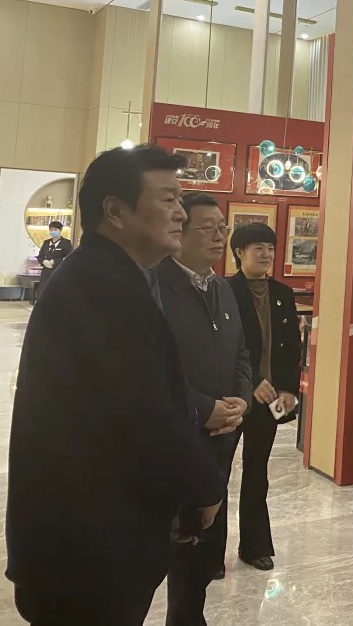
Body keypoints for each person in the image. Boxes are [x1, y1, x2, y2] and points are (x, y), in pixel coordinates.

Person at [6, 145, 225, 625]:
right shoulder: (102, 287)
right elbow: (145, 414)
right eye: (167, 199)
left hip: (88, 541)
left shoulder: (108, 277)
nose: (181, 212)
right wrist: (206, 487)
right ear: (115, 211)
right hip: (84, 551)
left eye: (180, 199)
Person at [159, 191, 253, 625]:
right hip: (173, 440)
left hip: (220, 440)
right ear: (178, 233)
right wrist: (202, 408)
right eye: (207, 228)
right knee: (165, 547)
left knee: (200, 552)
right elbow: (148, 369)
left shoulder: (222, 288)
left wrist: (241, 400)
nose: (219, 237)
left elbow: (241, 355)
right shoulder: (155, 286)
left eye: (223, 228)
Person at [228, 223, 302, 572]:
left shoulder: (282, 293)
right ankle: (209, 553)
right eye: (258, 247)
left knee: (257, 471)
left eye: (270, 248)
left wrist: (288, 389)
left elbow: (292, 349)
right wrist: (253, 381)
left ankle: (255, 546)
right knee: (217, 472)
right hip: (234, 396)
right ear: (239, 252)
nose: (266, 254)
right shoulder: (225, 290)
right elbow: (226, 347)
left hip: (271, 398)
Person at [35, 220, 73, 295]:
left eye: (55, 229)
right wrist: (43, 261)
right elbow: (40, 256)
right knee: (43, 291)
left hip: (59, 271)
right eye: (51, 229)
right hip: (46, 272)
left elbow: (70, 258)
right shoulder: (46, 242)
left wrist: (55, 262)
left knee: (56, 292)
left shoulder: (66, 243)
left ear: (60, 230)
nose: (53, 231)